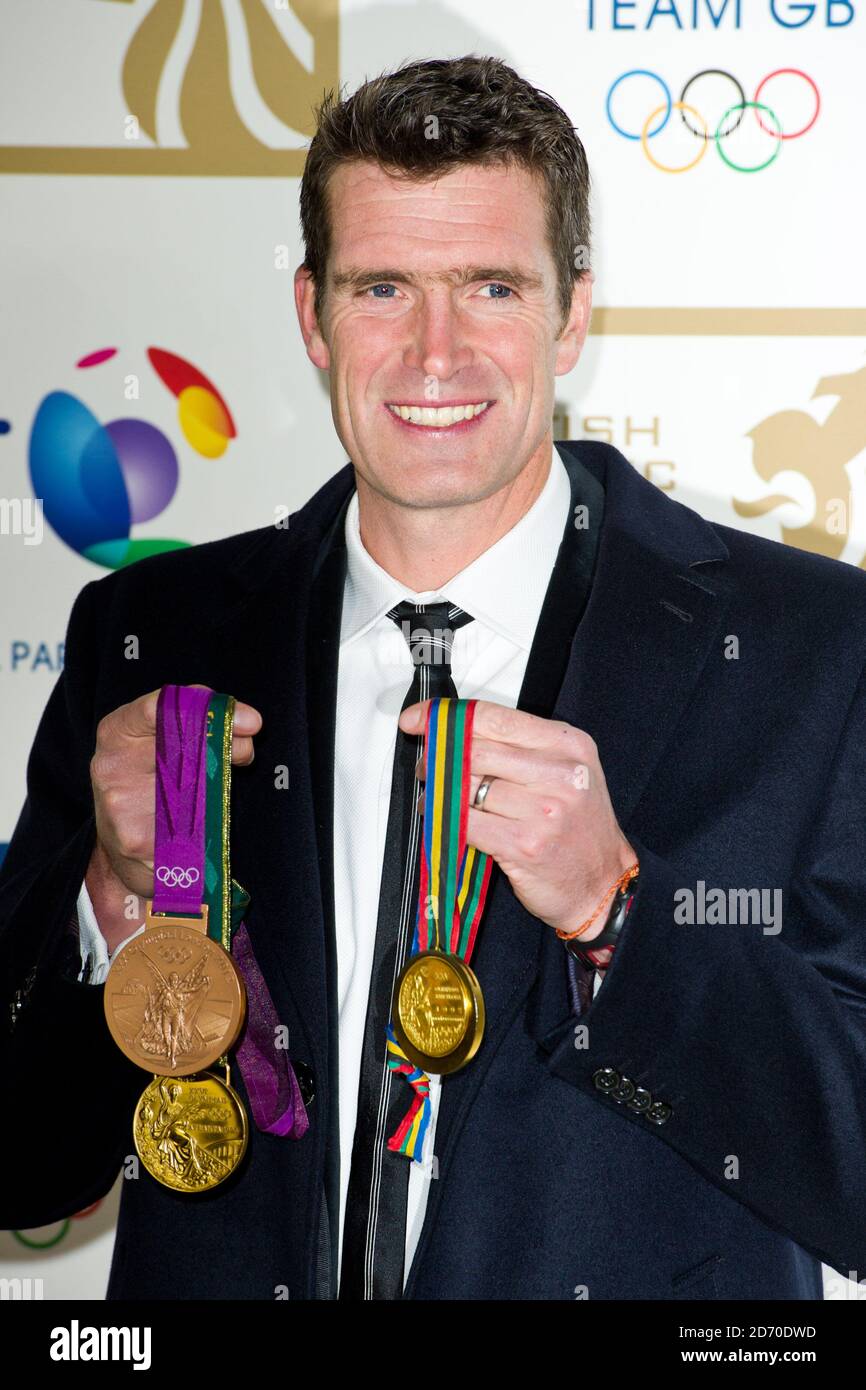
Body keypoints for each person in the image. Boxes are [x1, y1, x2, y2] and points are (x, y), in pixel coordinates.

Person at [2, 54, 866, 1301]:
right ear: (311, 313)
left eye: (492, 287)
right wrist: (115, 902)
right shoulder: (151, 635)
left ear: (573, 313)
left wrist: (622, 918)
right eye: (382, 287)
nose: (435, 351)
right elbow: (22, 1168)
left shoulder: (810, 654)